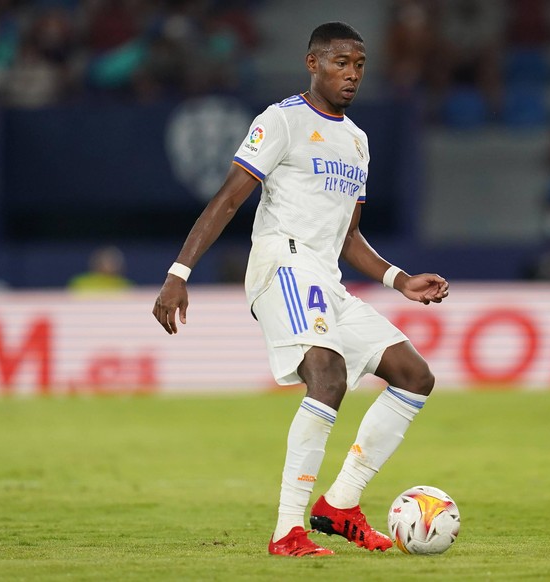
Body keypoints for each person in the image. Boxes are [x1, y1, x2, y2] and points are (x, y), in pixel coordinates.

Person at [152, 22, 449, 557]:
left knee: (414, 376)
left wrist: (400, 279)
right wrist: (180, 272)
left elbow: (349, 238)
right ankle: (288, 529)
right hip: (280, 263)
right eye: (340, 62)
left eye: (359, 64)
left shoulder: (357, 141)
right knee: (327, 374)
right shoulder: (282, 120)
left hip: (324, 277)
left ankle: (340, 505)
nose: (351, 74)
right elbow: (227, 199)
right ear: (312, 63)